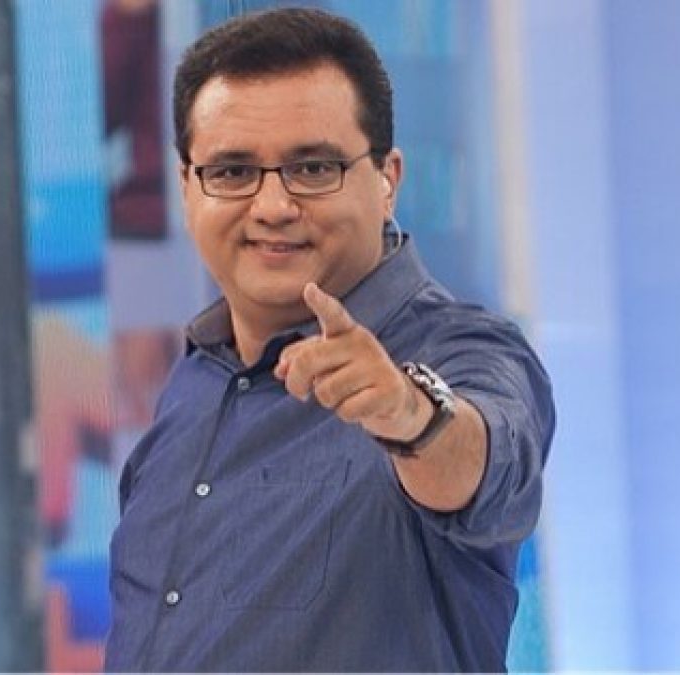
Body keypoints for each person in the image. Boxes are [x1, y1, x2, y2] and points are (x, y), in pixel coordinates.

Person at [105, 7, 554, 672]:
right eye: (232, 171)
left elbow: (488, 463)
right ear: (185, 187)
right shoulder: (190, 387)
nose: (272, 206)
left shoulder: (464, 350)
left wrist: (411, 417)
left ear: (387, 180)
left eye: (313, 168)